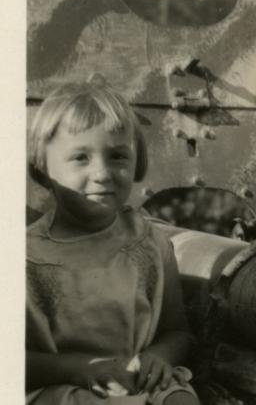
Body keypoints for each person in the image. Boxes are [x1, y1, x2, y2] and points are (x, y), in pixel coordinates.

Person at [26, 81, 200, 404]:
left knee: (181, 400)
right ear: (42, 167)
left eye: (118, 156)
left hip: (138, 381)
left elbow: (178, 332)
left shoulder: (148, 244)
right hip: (63, 386)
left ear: (138, 163)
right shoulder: (26, 257)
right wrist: (79, 368)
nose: (103, 173)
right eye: (80, 158)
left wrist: (158, 357)